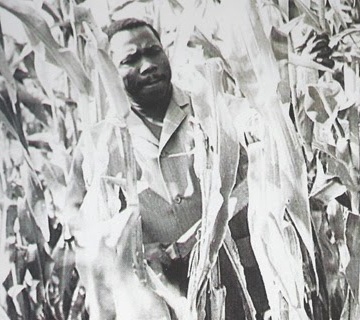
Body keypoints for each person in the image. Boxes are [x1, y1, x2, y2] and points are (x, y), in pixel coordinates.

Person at [66, 17, 267, 319]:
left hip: (235, 284)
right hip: (160, 301)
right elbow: (79, 226)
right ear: (108, 70)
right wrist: (132, 249)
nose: (148, 65)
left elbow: (266, 125)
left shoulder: (212, 106)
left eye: (153, 51)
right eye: (130, 59)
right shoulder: (97, 144)